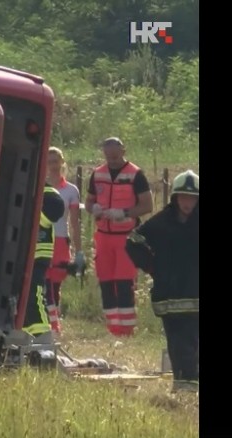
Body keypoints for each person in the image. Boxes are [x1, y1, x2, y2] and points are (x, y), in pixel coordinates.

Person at [125, 170, 199, 393]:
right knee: (177, 343)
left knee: (191, 343)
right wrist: (151, 266)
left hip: (195, 294)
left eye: (192, 198)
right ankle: (184, 386)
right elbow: (133, 241)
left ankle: (189, 386)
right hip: (170, 296)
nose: (187, 203)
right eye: (183, 197)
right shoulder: (161, 222)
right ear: (175, 197)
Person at [85, 137, 153, 337]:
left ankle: (127, 329)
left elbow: (147, 205)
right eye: (108, 156)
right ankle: (113, 327)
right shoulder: (98, 174)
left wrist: (124, 213)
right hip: (103, 236)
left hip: (126, 236)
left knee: (124, 282)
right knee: (106, 282)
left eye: (115, 156)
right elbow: (88, 202)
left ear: (123, 151)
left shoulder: (136, 174)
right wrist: (93, 208)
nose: (112, 160)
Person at [44, 147, 85, 321]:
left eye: (56, 161)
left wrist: (79, 251)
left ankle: (54, 322)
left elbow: (75, 222)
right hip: (41, 239)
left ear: (62, 162)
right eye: (49, 162)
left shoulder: (71, 190)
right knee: (42, 282)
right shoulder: (39, 186)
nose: (53, 166)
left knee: (55, 284)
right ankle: (48, 321)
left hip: (60, 240)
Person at [22, 182, 66, 337]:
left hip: (37, 253)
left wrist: (32, 213)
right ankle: (27, 334)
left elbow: (55, 207)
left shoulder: (44, 190)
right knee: (22, 297)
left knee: (34, 295)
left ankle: (41, 336)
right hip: (23, 254)